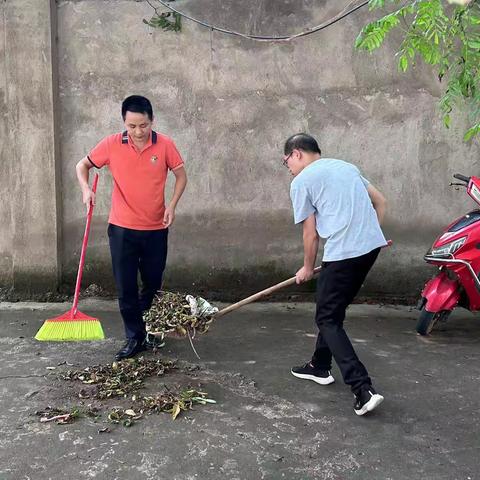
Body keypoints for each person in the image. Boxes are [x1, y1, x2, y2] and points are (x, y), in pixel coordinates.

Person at [76, 95, 187, 360]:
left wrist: (171, 205)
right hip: (122, 230)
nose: (138, 132)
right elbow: (83, 165)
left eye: (144, 125)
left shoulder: (165, 145)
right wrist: (85, 190)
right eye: (132, 126)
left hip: (155, 229)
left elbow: (181, 175)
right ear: (124, 123)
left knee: (152, 284)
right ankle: (134, 338)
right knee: (125, 287)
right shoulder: (112, 144)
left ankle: (148, 329)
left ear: (152, 121)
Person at [283, 133, 387, 416]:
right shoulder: (347, 167)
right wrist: (371, 235)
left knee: (327, 317)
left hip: (343, 253)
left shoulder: (302, 181)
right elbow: (381, 202)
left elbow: (310, 232)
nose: (288, 169)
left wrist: (307, 267)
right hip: (369, 249)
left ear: (297, 154)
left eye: (286, 162)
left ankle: (362, 388)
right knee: (333, 311)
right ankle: (319, 365)